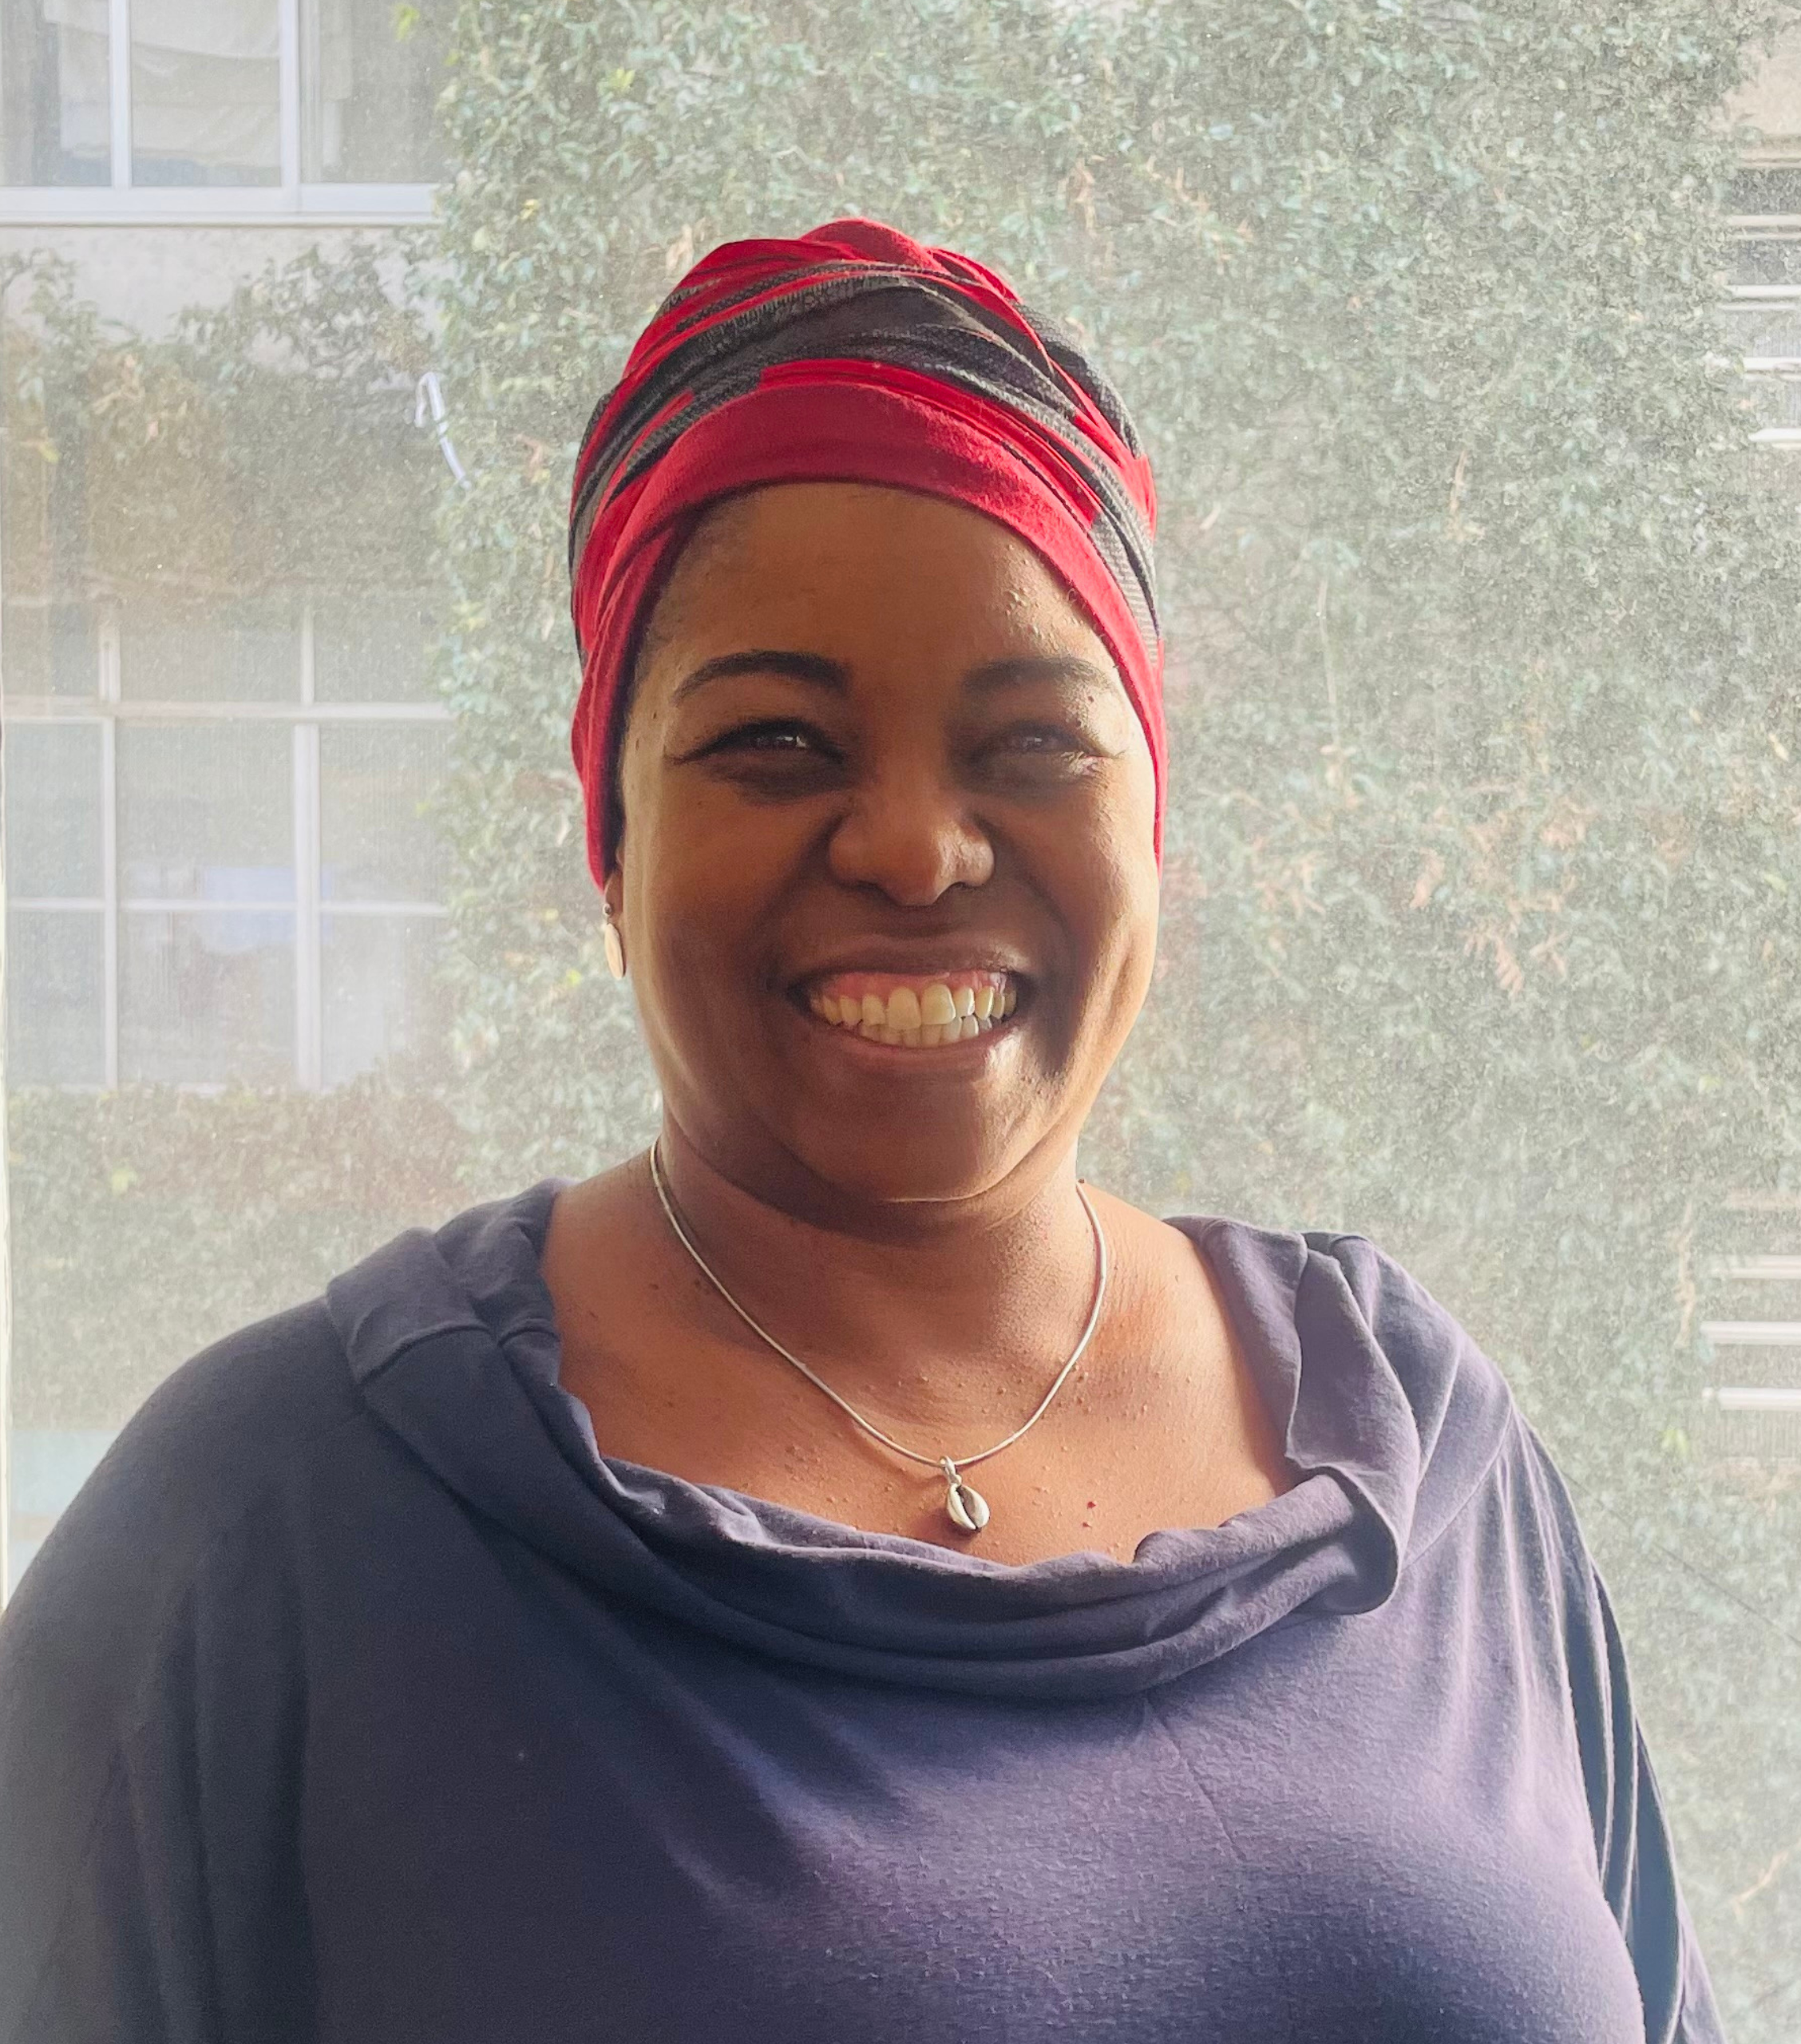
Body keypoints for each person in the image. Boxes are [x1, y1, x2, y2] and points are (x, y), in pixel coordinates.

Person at [0, 218, 1724, 2044]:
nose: (915, 846)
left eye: (1035, 744)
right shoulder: (278, 1519)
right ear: (609, 837)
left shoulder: (1426, 1449)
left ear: (1152, 826)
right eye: (776, 741)